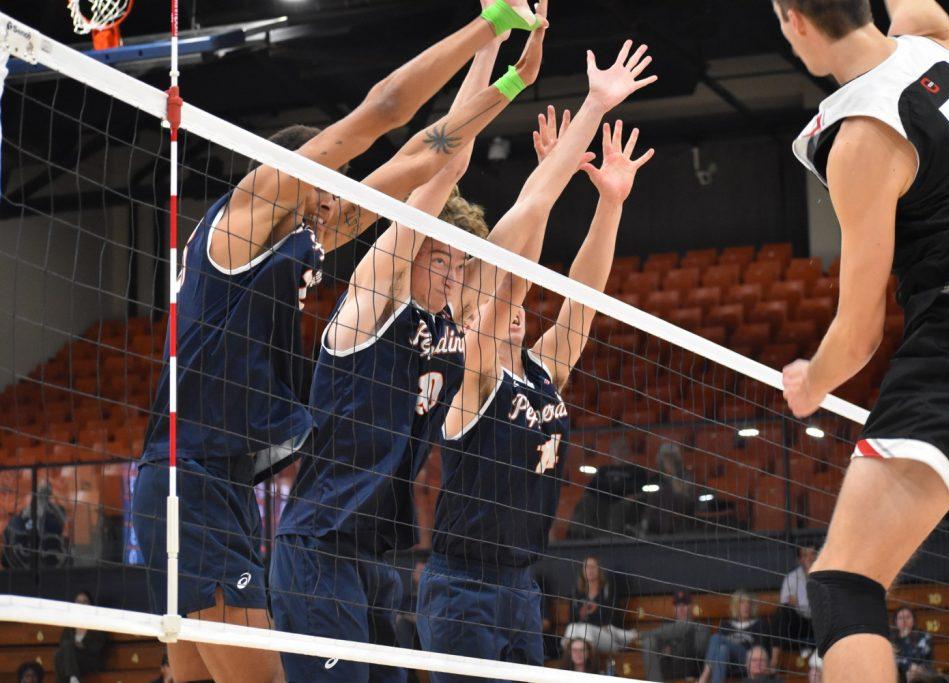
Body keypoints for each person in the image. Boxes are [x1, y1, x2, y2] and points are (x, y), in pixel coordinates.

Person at [131, 2, 544, 682]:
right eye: (330, 189)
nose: (341, 206)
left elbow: (428, 158)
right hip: (189, 478)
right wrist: (489, 25)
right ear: (302, 173)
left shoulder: (304, 237)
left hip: (216, 480)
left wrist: (505, 86)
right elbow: (385, 110)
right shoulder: (247, 212)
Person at [269, 10, 554, 682]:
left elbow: (519, 228)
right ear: (412, 252)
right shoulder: (373, 301)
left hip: (378, 554)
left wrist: (556, 131)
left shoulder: (452, 318)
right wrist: (496, 47)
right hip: (318, 547)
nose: (454, 271)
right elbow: (441, 164)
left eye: (460, 263)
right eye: (441, 257)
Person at [773, 0, 949, 679]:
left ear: (793, 20)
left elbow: (857, 336)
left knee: (842, 585)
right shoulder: (934, 41)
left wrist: (810, 381)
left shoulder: (861, 139)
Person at [417, 49, 656, 678]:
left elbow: (582, 300)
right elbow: (513, 267)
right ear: (469, 309)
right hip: (461, 587)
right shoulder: (475, 367)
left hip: (521, 587)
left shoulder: (540, 368)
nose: (516, 306)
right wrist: (558, 160)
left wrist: (610, 202)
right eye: (499, 299)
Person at [562, 556, 638, 654]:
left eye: (593, 567)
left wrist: (596, 610)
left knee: (586, 630)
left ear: (599, 570)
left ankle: (586, 664)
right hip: (581, 635)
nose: (590, 570)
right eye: (586, 567)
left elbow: (614, 617)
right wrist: (582, 614)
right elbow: (572, 620)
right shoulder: (577, 593)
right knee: (571, 628)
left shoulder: (608, 590)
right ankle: (574, 662)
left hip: (607, 636)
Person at [697, 591, 772, 683]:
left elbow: (760, 650)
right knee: (722, 650)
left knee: (716, 638)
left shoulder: (760, 624)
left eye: (749, 603)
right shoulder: (725, 625)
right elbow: (715, 651)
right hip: (727, 664)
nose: (746, 606)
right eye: (742, 602)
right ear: (735, 606)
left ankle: (704, 676)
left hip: (749, 661)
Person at [639, 590, 709, 681]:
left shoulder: (701, 627)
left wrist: (675, 646)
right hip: (669, 669)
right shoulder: (665, 627)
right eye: (677, 606)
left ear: (691, 606)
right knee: (648, 641)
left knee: (686, 626)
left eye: (684, 605)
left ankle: (639, 634)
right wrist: (664, 651)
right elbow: (659, 652)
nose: (681, 609)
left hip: (690, 669)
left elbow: (700, 650)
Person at [641, 443, 697, 536]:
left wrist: (672, 474)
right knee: (659, 496)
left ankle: (662, 531)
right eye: (665, 457)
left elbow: (682, 492)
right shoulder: (656, 477)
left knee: (666, 496)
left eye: (671, 457)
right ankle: (646, 525)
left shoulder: (684, 475)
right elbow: (648, 490)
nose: (668, 460)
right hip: (657, 503)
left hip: (681, 502)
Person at [53, 591, 108, 683]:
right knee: (57, 654)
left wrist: (83, 646)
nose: (81, 604)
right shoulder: (69, 627)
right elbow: (63, 645)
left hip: (90, 661)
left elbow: (99, 646)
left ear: (90, 605)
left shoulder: (97, 625)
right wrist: (73, 646)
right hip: (72, 662)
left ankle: (74, 679)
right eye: (78, 601)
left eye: (85, 601)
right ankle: (69, 678)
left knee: (68, 646)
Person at [771, 546, 816, 659]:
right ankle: (774, 661)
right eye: (805, 555)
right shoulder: (791, 578)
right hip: (799, 624)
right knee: (782, 613)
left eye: (812, 554)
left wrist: (799, 603)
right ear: (799, 560)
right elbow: (785, 604)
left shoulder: (826, 576)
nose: (809, 558)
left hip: (818, 623)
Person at [892, 606, 933, 678]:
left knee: (914, 670)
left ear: (913, 620)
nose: (904, 621)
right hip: (898, 674)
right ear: (896, 622)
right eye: (900, 618)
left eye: (908, 617)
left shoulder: (924, 637)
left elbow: (917, 659)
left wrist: (906, 638)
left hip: (920, 675)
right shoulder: (892, 639)